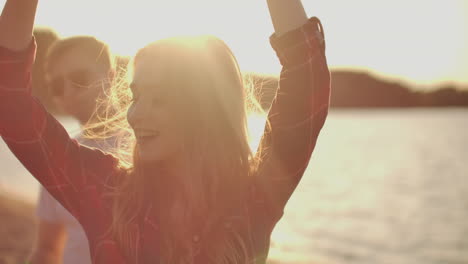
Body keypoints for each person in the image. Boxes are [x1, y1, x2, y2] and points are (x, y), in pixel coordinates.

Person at [0, 0, 331, 263]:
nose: (135, 114)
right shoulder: (105, 192)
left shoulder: (254, 197)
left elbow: (306, 77)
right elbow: (10, 102)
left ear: (206, 108)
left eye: (160, 99)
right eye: (137, 96)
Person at [29, 36, 117, 264]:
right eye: (58, 86)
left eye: (79, 79)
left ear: (111, 77)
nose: (69, 92)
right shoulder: (57, 155)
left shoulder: (146, 147)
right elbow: (47, 248)